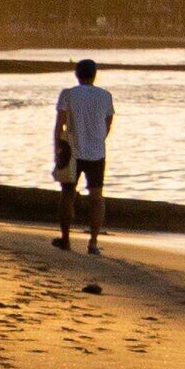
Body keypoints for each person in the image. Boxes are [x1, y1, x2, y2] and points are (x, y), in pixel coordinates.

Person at [54, 59, 113, 253]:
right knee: (97, 197)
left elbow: (60, 125)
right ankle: (93, 242)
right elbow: (108, 124)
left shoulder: (68, 94)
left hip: (72, 151)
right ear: (94, 74)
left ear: (77, 75)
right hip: (97, 153)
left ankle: (66, 239)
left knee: (67, 194)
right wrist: (97, 140)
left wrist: (58, 149)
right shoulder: (105, 96)